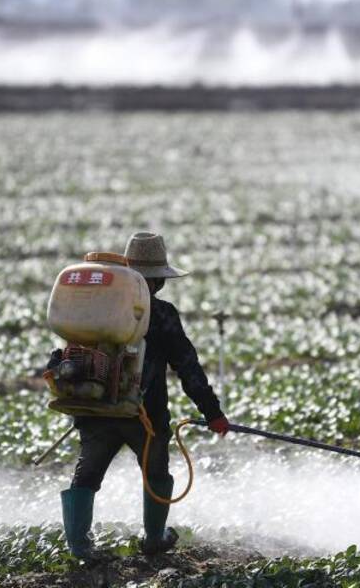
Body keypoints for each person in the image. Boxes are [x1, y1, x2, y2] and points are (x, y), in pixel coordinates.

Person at [54, 231, 230, 559]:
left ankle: (78, 545)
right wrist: (213, 413)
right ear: (157, 281)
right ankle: (153, 538)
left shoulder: (90, 310)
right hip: (144, 416)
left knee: (87, 473)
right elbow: (188, 368)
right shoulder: (161, 315)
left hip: (94, 410)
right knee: (156, 473)